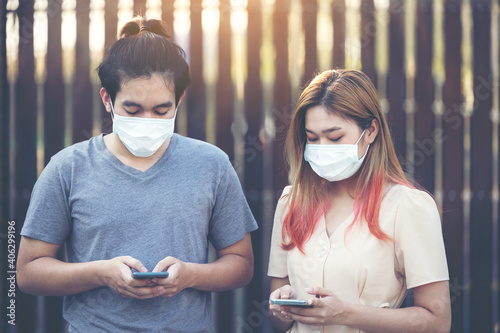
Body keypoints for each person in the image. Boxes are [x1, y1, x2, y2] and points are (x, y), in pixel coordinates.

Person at [17, 18, 258, 332]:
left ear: (179, 101)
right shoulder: (68, 168)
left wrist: (191, 275)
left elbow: (241, 264)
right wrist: (101, 273)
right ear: (108, 100)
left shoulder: (211, 164)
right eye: (132, 109)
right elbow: (27, 272)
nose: (147, 120)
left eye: (161, 110)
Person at [267, 69, 451, 333]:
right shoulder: (291, 202)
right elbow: (277, 318)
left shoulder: (407, 207)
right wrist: (282, 307)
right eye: (312, 138)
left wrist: (345, 313)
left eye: (335, 137)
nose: (323, 149)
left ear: (371, 131)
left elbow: (438, 322)